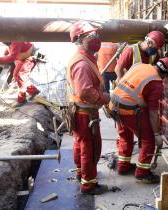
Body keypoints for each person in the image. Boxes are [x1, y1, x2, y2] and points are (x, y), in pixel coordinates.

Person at [109, 57, 168, 183]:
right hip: (128, 110)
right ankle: (142, 173)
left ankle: (123, 166)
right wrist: (156, 134)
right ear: (166, 74)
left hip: (114, 105)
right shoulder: (156, 84)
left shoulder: (140, 65)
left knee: (125, 135)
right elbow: (153, 112)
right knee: (148, 138)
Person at [68, 21, 110, 195]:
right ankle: (89, 185)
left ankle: (82, 173)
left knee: (80, 145)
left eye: (96, 35)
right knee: (90, 149)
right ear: (79, 40)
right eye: (89, 36)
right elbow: (85, 91)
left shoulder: (84, 58)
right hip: (85, 114)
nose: (95, 39)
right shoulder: (82, 64)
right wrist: (104, 98)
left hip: (79, 111)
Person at [0, 42, 40, 107]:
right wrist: (2, 57)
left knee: (21, 77)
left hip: (30, 58)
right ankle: (34, 91)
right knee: (15, 75)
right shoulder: (9, 44)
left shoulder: (15, 43)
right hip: (21, 59)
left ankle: (21, 99)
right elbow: (6, 53)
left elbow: (11, 58)